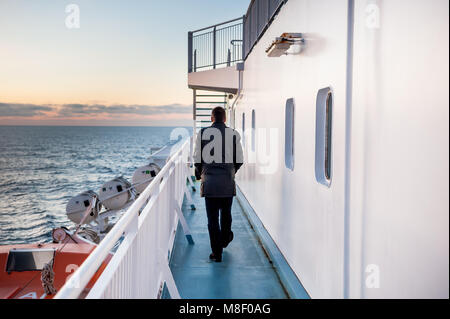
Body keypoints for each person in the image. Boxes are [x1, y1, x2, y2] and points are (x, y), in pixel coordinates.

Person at [193, 106, 244, 262]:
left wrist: (202, 173)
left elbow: (197, 160)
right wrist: (230, 171)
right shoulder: (234, 134)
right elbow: (240, 160)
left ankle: (217, 253)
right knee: (226, 214)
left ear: (212, 118)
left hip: (210, 184)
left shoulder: (202, 134)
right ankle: (225, 238)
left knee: (212, 220)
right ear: (225, 118)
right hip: (227, 182)